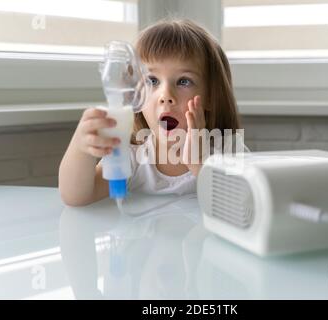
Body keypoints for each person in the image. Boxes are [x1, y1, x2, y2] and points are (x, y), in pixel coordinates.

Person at [59, 18, 246, 206]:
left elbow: (244, 207)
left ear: (211, 96)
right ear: (136, 95)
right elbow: (77, 196)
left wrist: (200, 163)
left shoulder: (228, 153)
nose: (165, 95)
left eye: (183, 81)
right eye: (152, 81)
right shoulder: (133, 158)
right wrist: (81, 147)